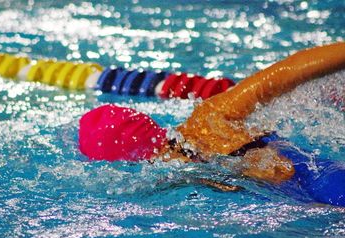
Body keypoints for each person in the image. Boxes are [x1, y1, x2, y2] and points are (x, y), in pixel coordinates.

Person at [79, 42, 345, 206]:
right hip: (328, 174)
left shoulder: (173, 177)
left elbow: (279, 173)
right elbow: (285, 72)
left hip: (317, 199)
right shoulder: (209, 117)